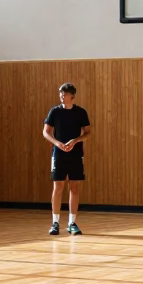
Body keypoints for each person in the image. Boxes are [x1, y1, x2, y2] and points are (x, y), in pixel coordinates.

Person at [42, 83, 91, 235]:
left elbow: (88, 132)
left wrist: (76, 140)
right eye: (61, 93)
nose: (62, 96)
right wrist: (57, 143)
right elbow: (46, 132)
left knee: (74, 187)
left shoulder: (81, 112)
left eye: (65, 93)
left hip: (76, 153)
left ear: (72, 95)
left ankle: (72, 222)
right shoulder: (54, 112)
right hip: (59, 154)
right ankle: (55, 222)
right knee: (58, 187)